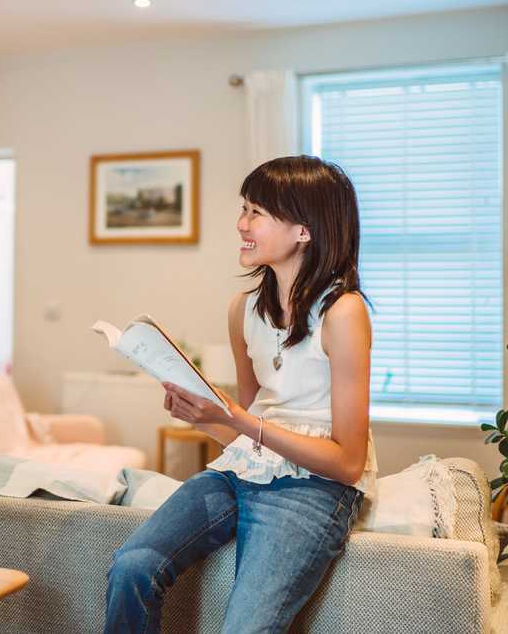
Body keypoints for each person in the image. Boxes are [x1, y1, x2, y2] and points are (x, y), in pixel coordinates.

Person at [103, 155, 378, 633]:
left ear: (304, 230)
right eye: (244, 208)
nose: (241, 224)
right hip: (241, 471)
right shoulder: (243, 310)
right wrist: (202, 416)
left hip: (315, 487)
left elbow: (348, 462)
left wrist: (238, 420)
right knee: (132, 566)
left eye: (256, 212)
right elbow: (243, 430)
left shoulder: (344, 313)